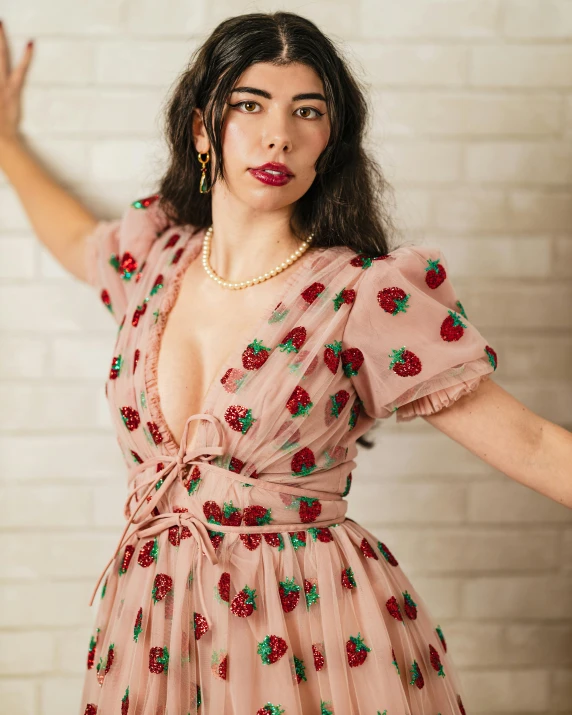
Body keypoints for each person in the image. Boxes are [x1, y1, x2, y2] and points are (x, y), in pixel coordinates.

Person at [1, 10, 571, 715]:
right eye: (250, 104)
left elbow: (534, 442)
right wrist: (6, 141)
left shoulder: (365, 293)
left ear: (330, 142)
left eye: (309, 111)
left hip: (310, 634)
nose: (280, 134)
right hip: (151, 630)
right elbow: (70, 232)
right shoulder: (155, 259)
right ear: (203, 128)